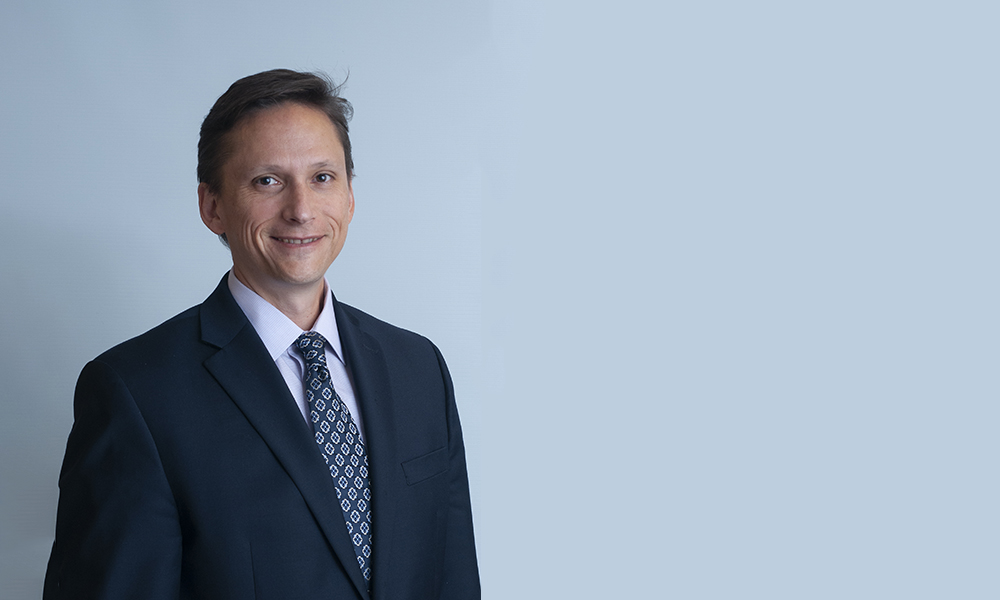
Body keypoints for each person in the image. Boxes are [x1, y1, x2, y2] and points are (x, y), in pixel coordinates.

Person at [43, 69, 480, 600]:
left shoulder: (419, 369)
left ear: (349, 197)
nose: (301, 210)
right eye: (267, 181)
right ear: (213, 207)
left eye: (323, 177)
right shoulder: (135, 394)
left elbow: (454, 579)